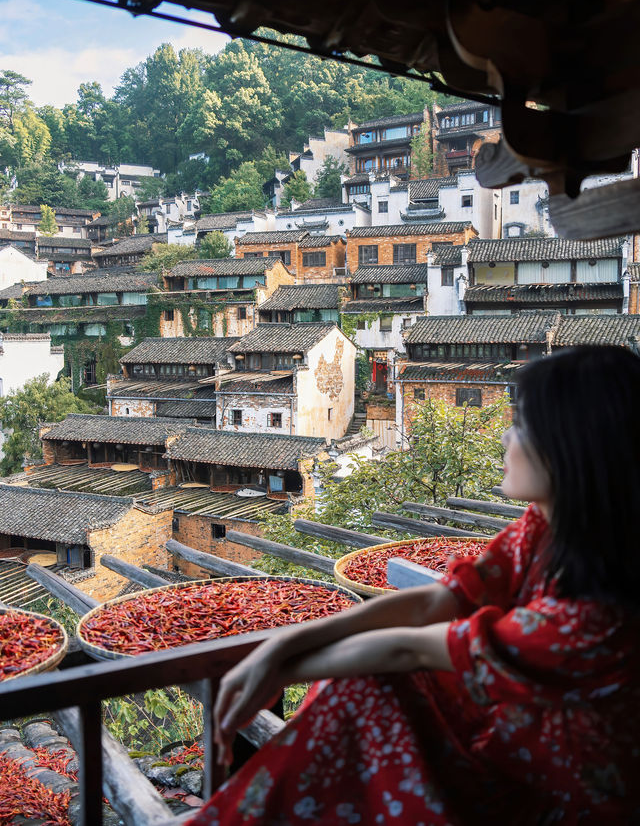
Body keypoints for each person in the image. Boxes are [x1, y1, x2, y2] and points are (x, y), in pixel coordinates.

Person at [186, 346, 640, 825]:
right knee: (369, 685)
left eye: (523, 425)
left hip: (556, 797)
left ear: (573, 446)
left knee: (365, 685)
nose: (507, 436)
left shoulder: (597, 617)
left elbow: (411, 648)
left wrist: (276, 666)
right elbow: (438, 602)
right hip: (520, 744)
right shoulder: (544, 529)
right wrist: (280, 647)